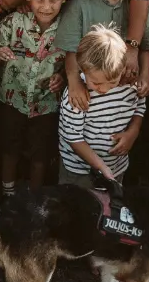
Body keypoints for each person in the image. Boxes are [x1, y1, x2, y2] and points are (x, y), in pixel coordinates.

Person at [0, 0, 69, 191]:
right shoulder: (14, 23)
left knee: (40, 154)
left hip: (45, 104)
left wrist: (61, 78)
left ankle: (35, 197)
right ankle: (7, 191)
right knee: (9, 148)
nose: (46, 6)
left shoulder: (68, 28)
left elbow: (71, 63)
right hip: (12, 100)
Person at [58, 27, 144, 186]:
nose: (104, 89)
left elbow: (139, 108)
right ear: (83, 69)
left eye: (112, 82)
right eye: (96, 83)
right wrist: (101, 167)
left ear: (123, 68)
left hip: (117, 168)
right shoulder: (78, 95)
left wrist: (132, 133)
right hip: (79, 172)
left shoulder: (129, 86)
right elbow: (72, 136)